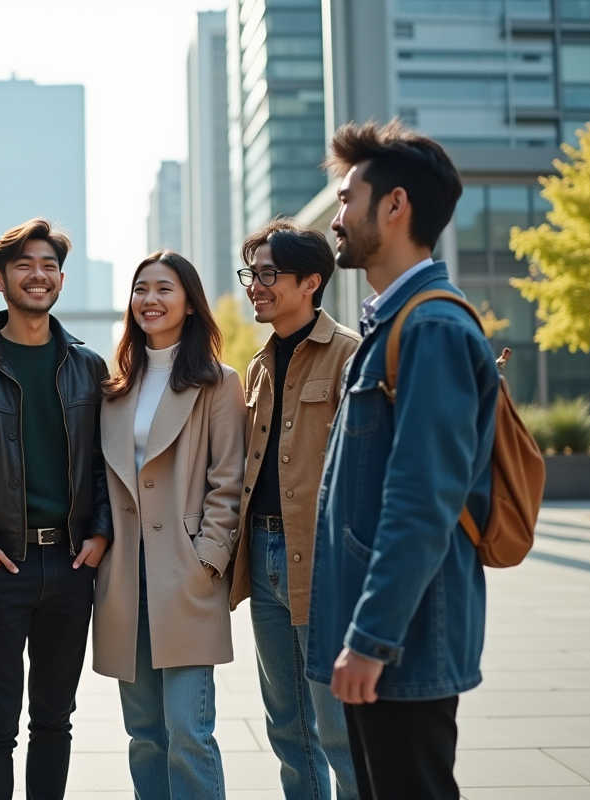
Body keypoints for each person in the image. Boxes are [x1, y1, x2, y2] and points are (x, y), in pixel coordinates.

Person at [306, 120, 500, 800]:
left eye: (344, 198)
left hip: (403, 644)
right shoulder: (393, 324)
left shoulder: (431, 329)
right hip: (384, 639)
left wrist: (371, 641)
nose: (336, 218)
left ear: (393, 206)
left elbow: (422, 505)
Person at [0, 218, 113, 800]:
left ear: (62, 280)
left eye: (47, 266)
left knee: (55, 720)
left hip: (72, 567)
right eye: (24, 265)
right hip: (3, 567)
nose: (37, 276)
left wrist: (99, 534)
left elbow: (105, 462)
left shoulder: (87, 366)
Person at [94, 251, 245, 800]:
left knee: (190, 732)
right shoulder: (114, 387)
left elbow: (228, 478)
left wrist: (209, 557)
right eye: (141, 289)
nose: (150, 300)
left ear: (188, 303)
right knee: (144, 735)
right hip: (123, 579)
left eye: (163, 289)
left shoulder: (218, 383)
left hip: (185, 573)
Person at [228, 220, 360, 800]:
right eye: (250, 273)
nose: (254, 285)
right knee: (286, 725)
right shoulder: (257, 366)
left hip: (325, 561)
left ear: (311, 281)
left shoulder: (350, 356)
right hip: (263, 553)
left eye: (266, 274)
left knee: (338, 728)